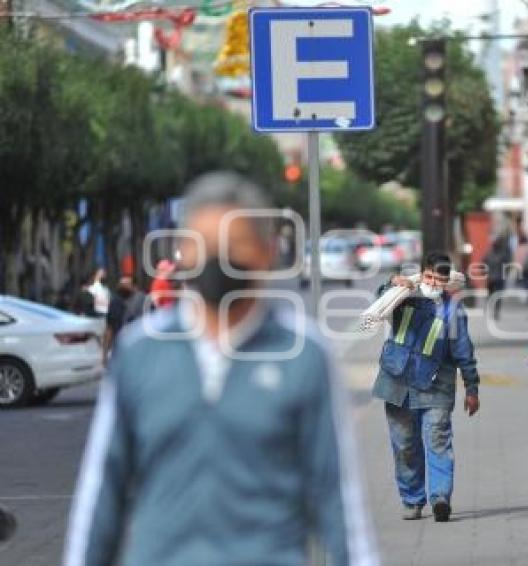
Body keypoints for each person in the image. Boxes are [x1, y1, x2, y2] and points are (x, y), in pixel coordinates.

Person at [64, 172, 377, 566]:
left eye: (235, 245)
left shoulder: (304, 355)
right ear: (183, 253)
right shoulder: (140, 352)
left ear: (266, 253)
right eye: (205, 245)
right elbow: (101, 493)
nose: (218, 258)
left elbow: (340, 499)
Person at [373, 252, 480, 523]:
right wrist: (392, 282)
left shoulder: (453, 310)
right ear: (421, 275)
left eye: (440, 280)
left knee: (438, 441)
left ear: (447, 282)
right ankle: (412, 499)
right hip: (397, 384)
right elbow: (380, 300)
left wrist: (471, 388)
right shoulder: (402, 296)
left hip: (437, 387)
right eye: (429, 277)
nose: (433, 283)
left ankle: (440, 497)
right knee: (404, 446)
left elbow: (464, 350)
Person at [102, 277, 146, 361]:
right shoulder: (115, 304)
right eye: (121, 284)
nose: (122, 287)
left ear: (134, 287)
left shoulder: (142, 302)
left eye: (126, 284)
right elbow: (109, 329)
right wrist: (105, 354)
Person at [483, 236, 510, 320]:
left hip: (493, 278)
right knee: (496, 296)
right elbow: (507, 265)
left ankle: (494, 310)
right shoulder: (501, 255)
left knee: (493, 295)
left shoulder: (489, 254)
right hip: (497, 278)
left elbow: (483, 263)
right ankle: (494, 310)